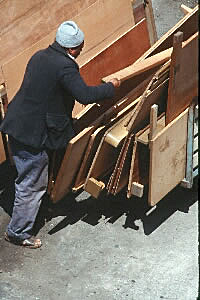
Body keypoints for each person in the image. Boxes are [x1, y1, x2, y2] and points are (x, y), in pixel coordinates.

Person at [0, 21, 121, 248]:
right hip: (30, 135)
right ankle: (17, 232)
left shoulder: (40, 56)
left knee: (37, 175)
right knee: (31, 183)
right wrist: (111, 87)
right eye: (81, 46)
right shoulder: (65, 66)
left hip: (18, 124)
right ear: (73, 48)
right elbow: (84, 95)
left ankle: (44, 205)